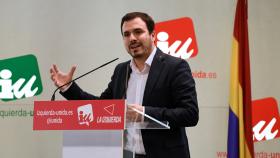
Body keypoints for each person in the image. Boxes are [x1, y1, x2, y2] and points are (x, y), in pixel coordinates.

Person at [50, 12, 198, 158]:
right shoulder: (122, 70)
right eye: (126, 34)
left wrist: (145, 113)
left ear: (153, 35)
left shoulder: (175, 67)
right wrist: (69, 87)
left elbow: (190, 114)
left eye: (138, 32)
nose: (132, 38)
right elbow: (101, 108)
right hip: (127, 154)